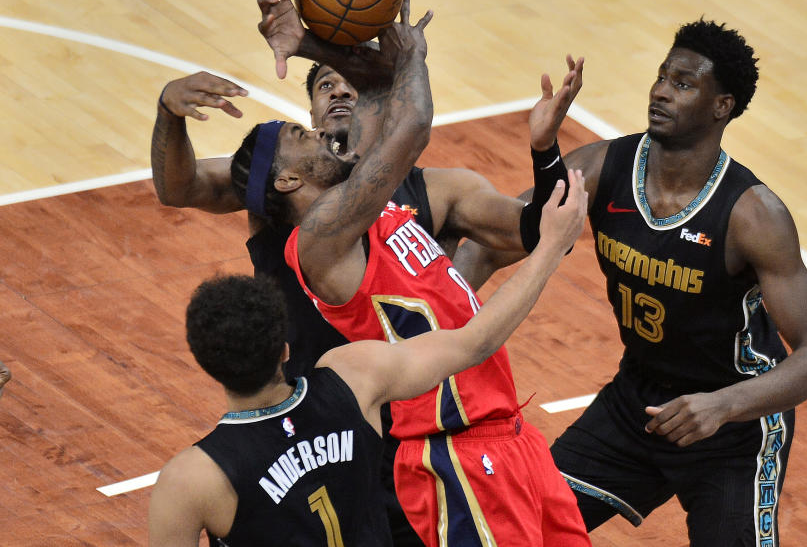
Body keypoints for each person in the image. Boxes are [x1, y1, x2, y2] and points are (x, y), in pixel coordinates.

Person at [153, 0, 581, 546]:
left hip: (483, 423)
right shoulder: (312, 225)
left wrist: (310, 41)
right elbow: (412, 121)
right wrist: (411, 56)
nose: (339, 94)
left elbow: (538, 229)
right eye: (321, 86)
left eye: (350, 83)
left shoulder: (417, 193)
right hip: (366, 429)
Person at [147, 175, 589, 546]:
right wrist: (550, 246)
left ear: (205, 364)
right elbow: (477, 339)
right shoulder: (355, 379)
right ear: (285, 347)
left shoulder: (190, 479)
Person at [539, 19, 807, 546]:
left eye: (682, 84)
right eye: (661, 77)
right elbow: (505, 232)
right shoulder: (603, 166)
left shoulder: (753, 215)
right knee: (514, 526)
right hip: (637, 402)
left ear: (721, 106)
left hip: (734, 429)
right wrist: (545, 151)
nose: (659, 90)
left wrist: (722, 405)